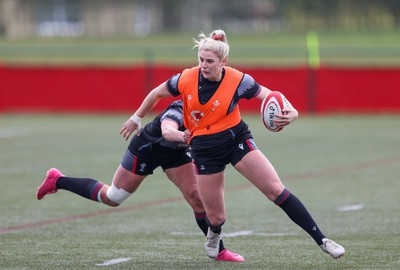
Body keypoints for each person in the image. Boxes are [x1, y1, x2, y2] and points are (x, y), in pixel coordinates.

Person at [119, 30, 345, 260]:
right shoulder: (186, 78)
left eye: (209, 62)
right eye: (201, 60)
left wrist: (293, 113)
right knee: (216, 218)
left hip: (236, 139)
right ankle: (214, 234)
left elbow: (272, 96)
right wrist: (136, 118)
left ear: (223, 61)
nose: (204, 66)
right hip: (205, 149)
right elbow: (156, 93)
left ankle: (323, 240)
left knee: (275, 189)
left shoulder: (239, 80)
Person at [36, 100, 244, 262]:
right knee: (113, 197)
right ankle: (58, 180)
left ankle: (218, 250)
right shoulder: (180, 108)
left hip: (176, 155)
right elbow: (167, 131)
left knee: (197, 198)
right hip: (147, 150)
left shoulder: (213, 113)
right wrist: (184, 136)